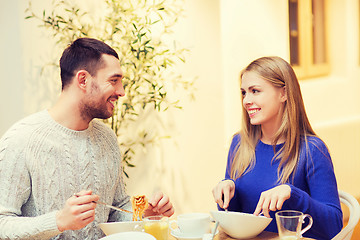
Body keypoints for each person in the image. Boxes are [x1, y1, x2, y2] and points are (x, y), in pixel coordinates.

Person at [0, 37, 174, 239]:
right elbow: (2, 222)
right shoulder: (21, 139)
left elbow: (115, 210)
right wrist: (58, 221)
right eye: (113, 80)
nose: (121, 92)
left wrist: (142, 214)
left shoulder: (107, 138)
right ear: (83, 80)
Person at [212, 56, 343, 239]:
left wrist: (293, 194)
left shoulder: (312, 150)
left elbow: (334, 227)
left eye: (255, 91)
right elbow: (235, 220)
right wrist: (227, 193)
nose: (246, 101)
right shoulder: (239, 144)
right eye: (243, 93)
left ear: (284, 94)